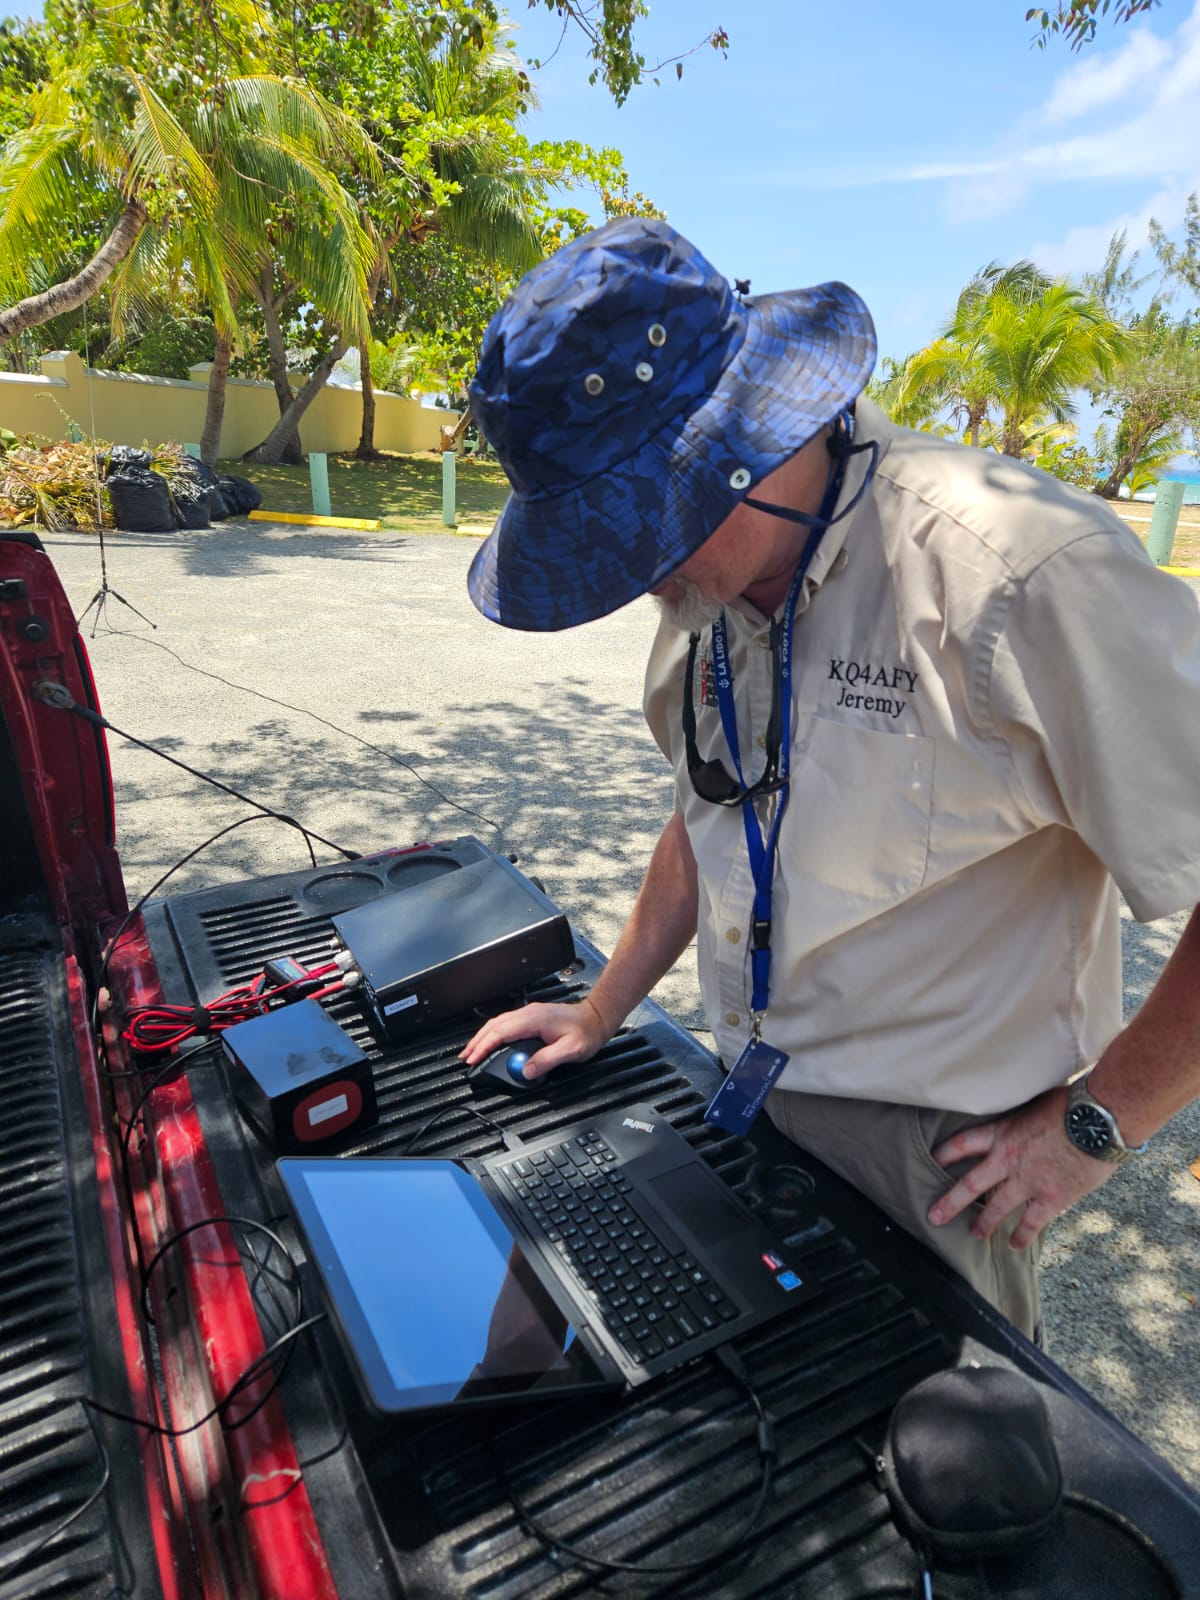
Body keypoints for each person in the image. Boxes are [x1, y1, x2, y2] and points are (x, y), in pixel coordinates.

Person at [459, 216, 1200, 1341]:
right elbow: (705, 814)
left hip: (943, 1158)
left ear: (736, 445)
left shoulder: (1016, 573)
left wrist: (1098, 1125)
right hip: (749, 1096)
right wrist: (605, 1005)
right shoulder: (705, 591)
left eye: (642, 532)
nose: (632, 576)